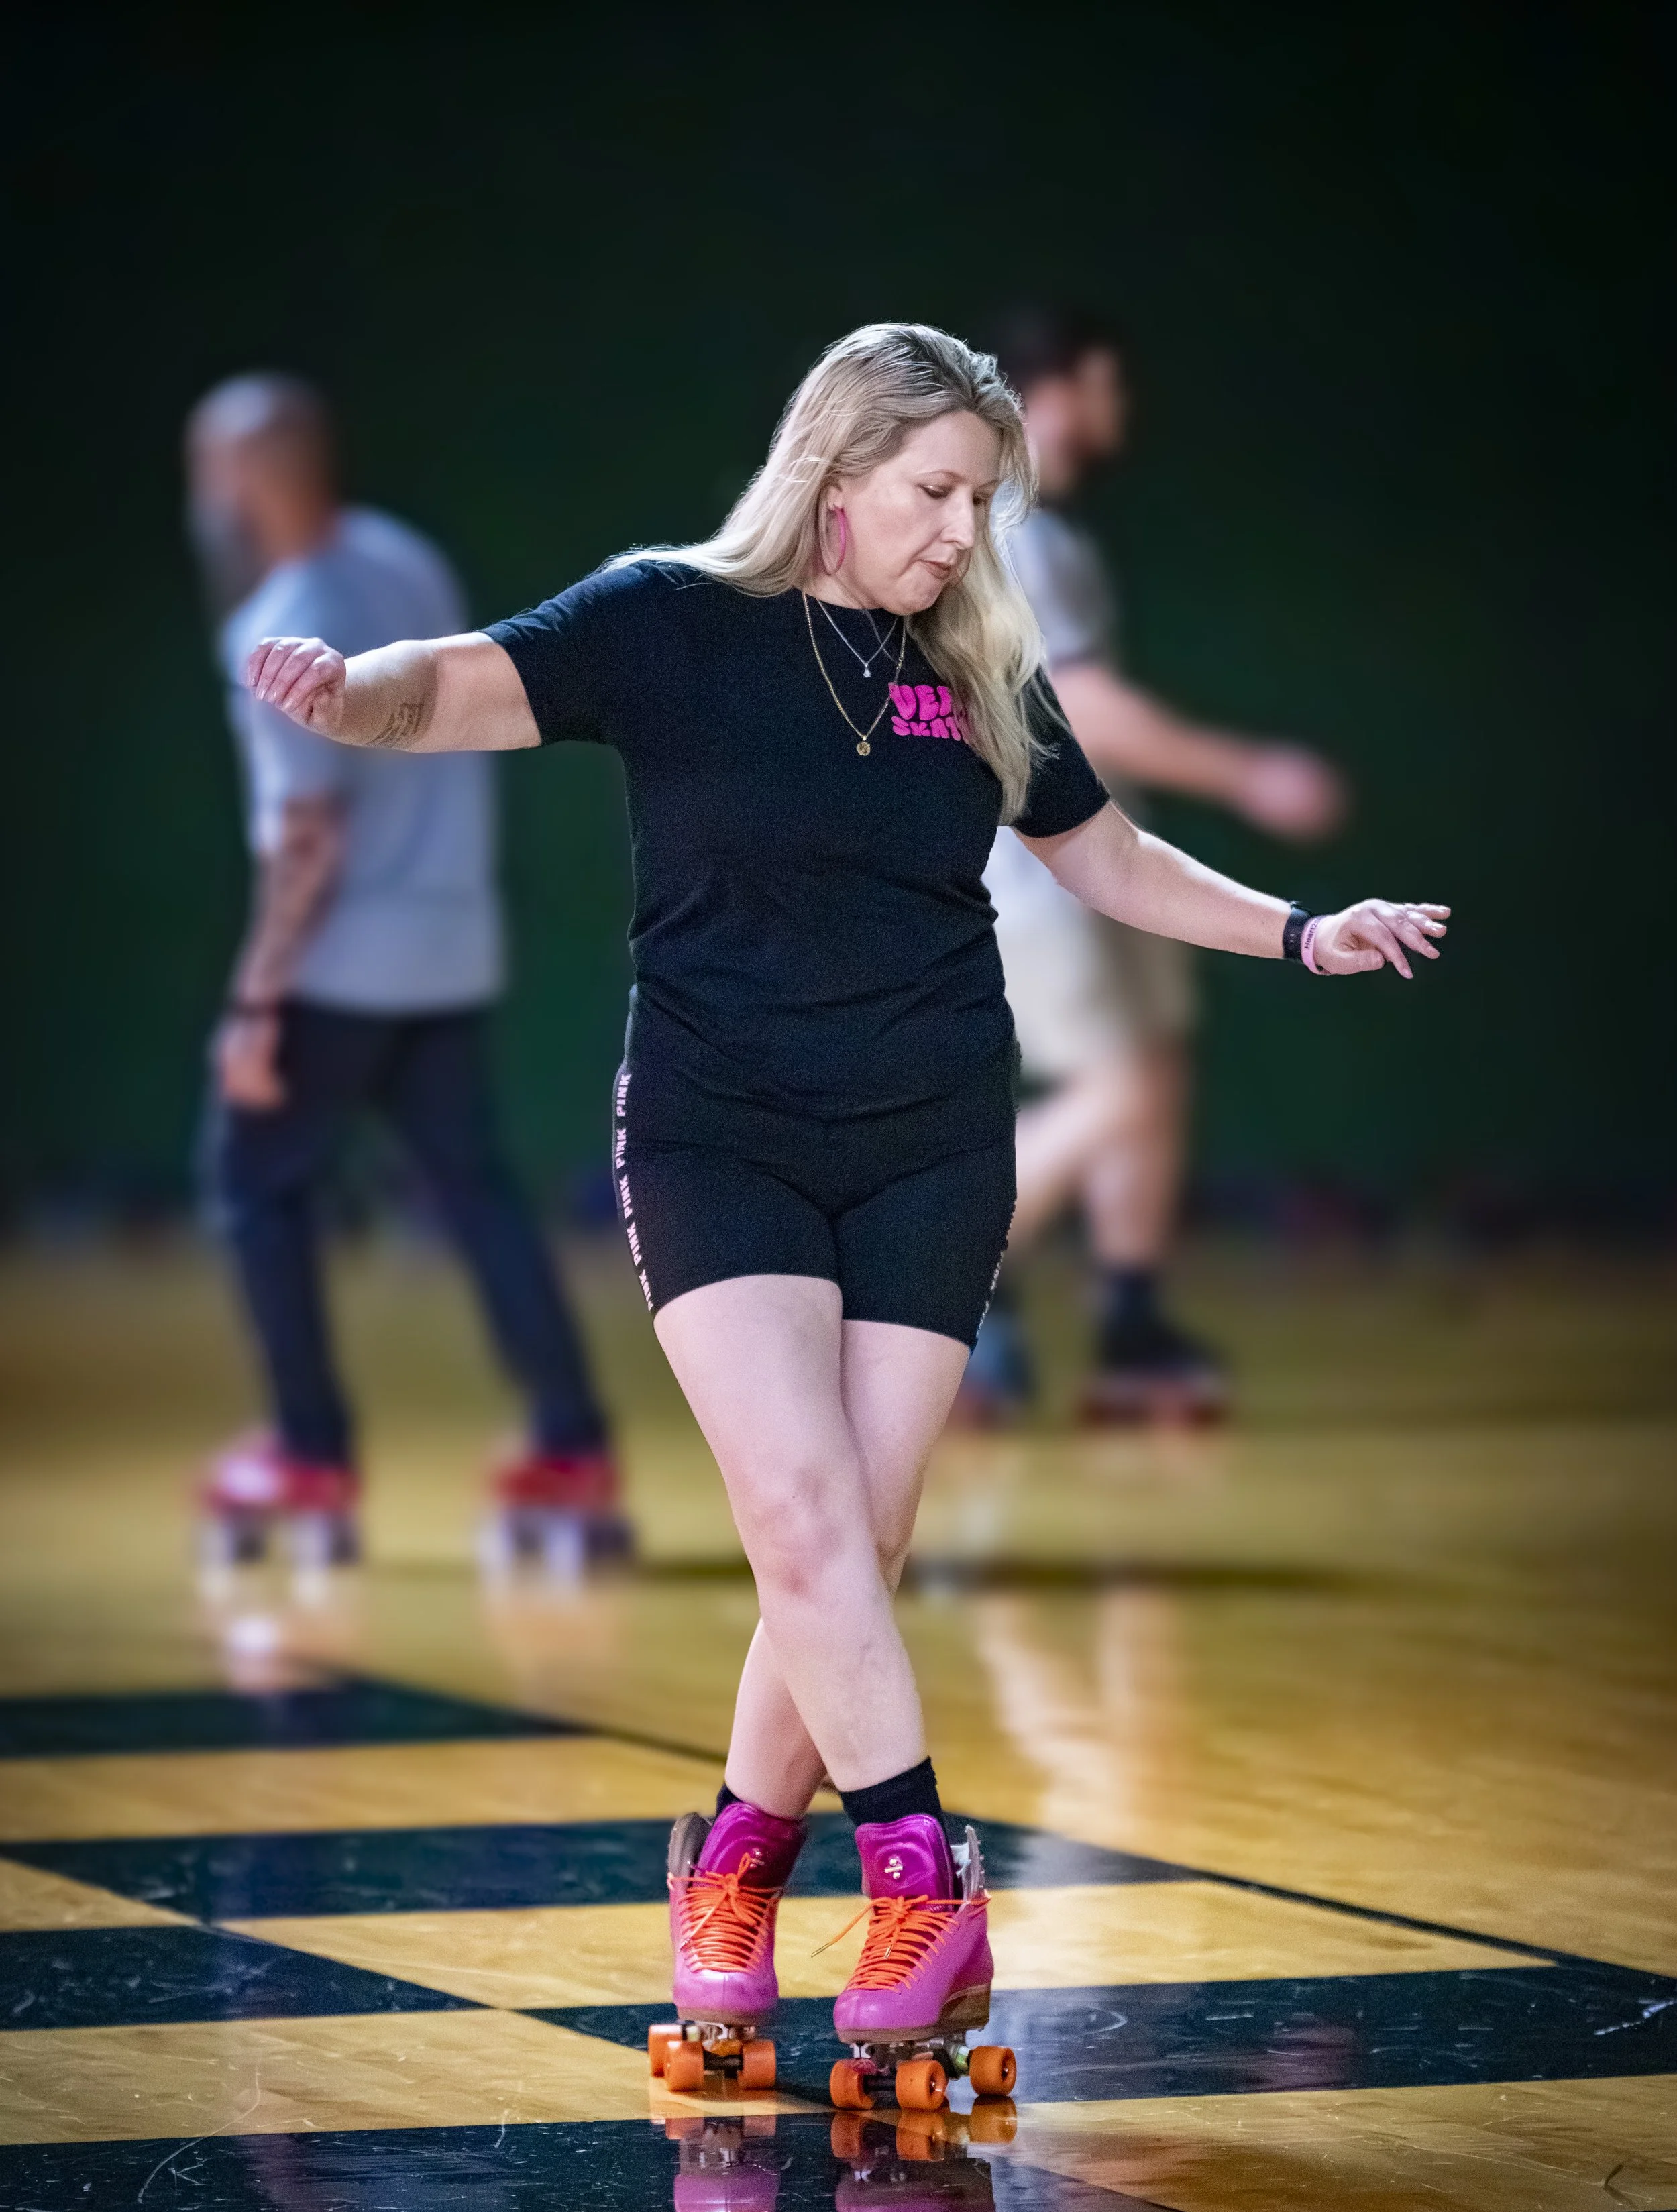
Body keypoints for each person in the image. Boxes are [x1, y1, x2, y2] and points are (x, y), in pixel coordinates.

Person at [241, 323, 1447, 2097]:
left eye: (983, 499)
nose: (964, 532)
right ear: (835, 468)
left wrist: (1294, 926)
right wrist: (349, 689)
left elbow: (1102, 854)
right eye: (936, 493)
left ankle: (729, 1868)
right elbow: (459, 684)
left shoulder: (974, 662)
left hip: (930, 1140)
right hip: (720, 1133)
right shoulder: (663, 620)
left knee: (848, 1550)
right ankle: (919, 1870)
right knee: (799, 1522)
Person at [187, 374, 623, 1568]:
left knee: (251, 1183)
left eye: (214, 470)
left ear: (250, 475)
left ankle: (309, 1451)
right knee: (479, 1199)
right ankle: (573, 1438)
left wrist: (257, 1001)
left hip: (338, 970)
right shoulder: (407, 562)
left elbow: (308, 833)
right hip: (447, 949)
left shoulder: (276, 616)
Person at [969, 307, 1348, 1424]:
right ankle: (951, 1278)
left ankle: (1131, 1324)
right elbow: (1077, 706)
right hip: (1028, 861)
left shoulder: (1058, 536)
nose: (1120, 410)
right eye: (1109, 385)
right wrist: (1249, 775)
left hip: (1098, 850)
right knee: (1118, 1088)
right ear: (1063, 389)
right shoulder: (1009, 525)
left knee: (1157, 1069)